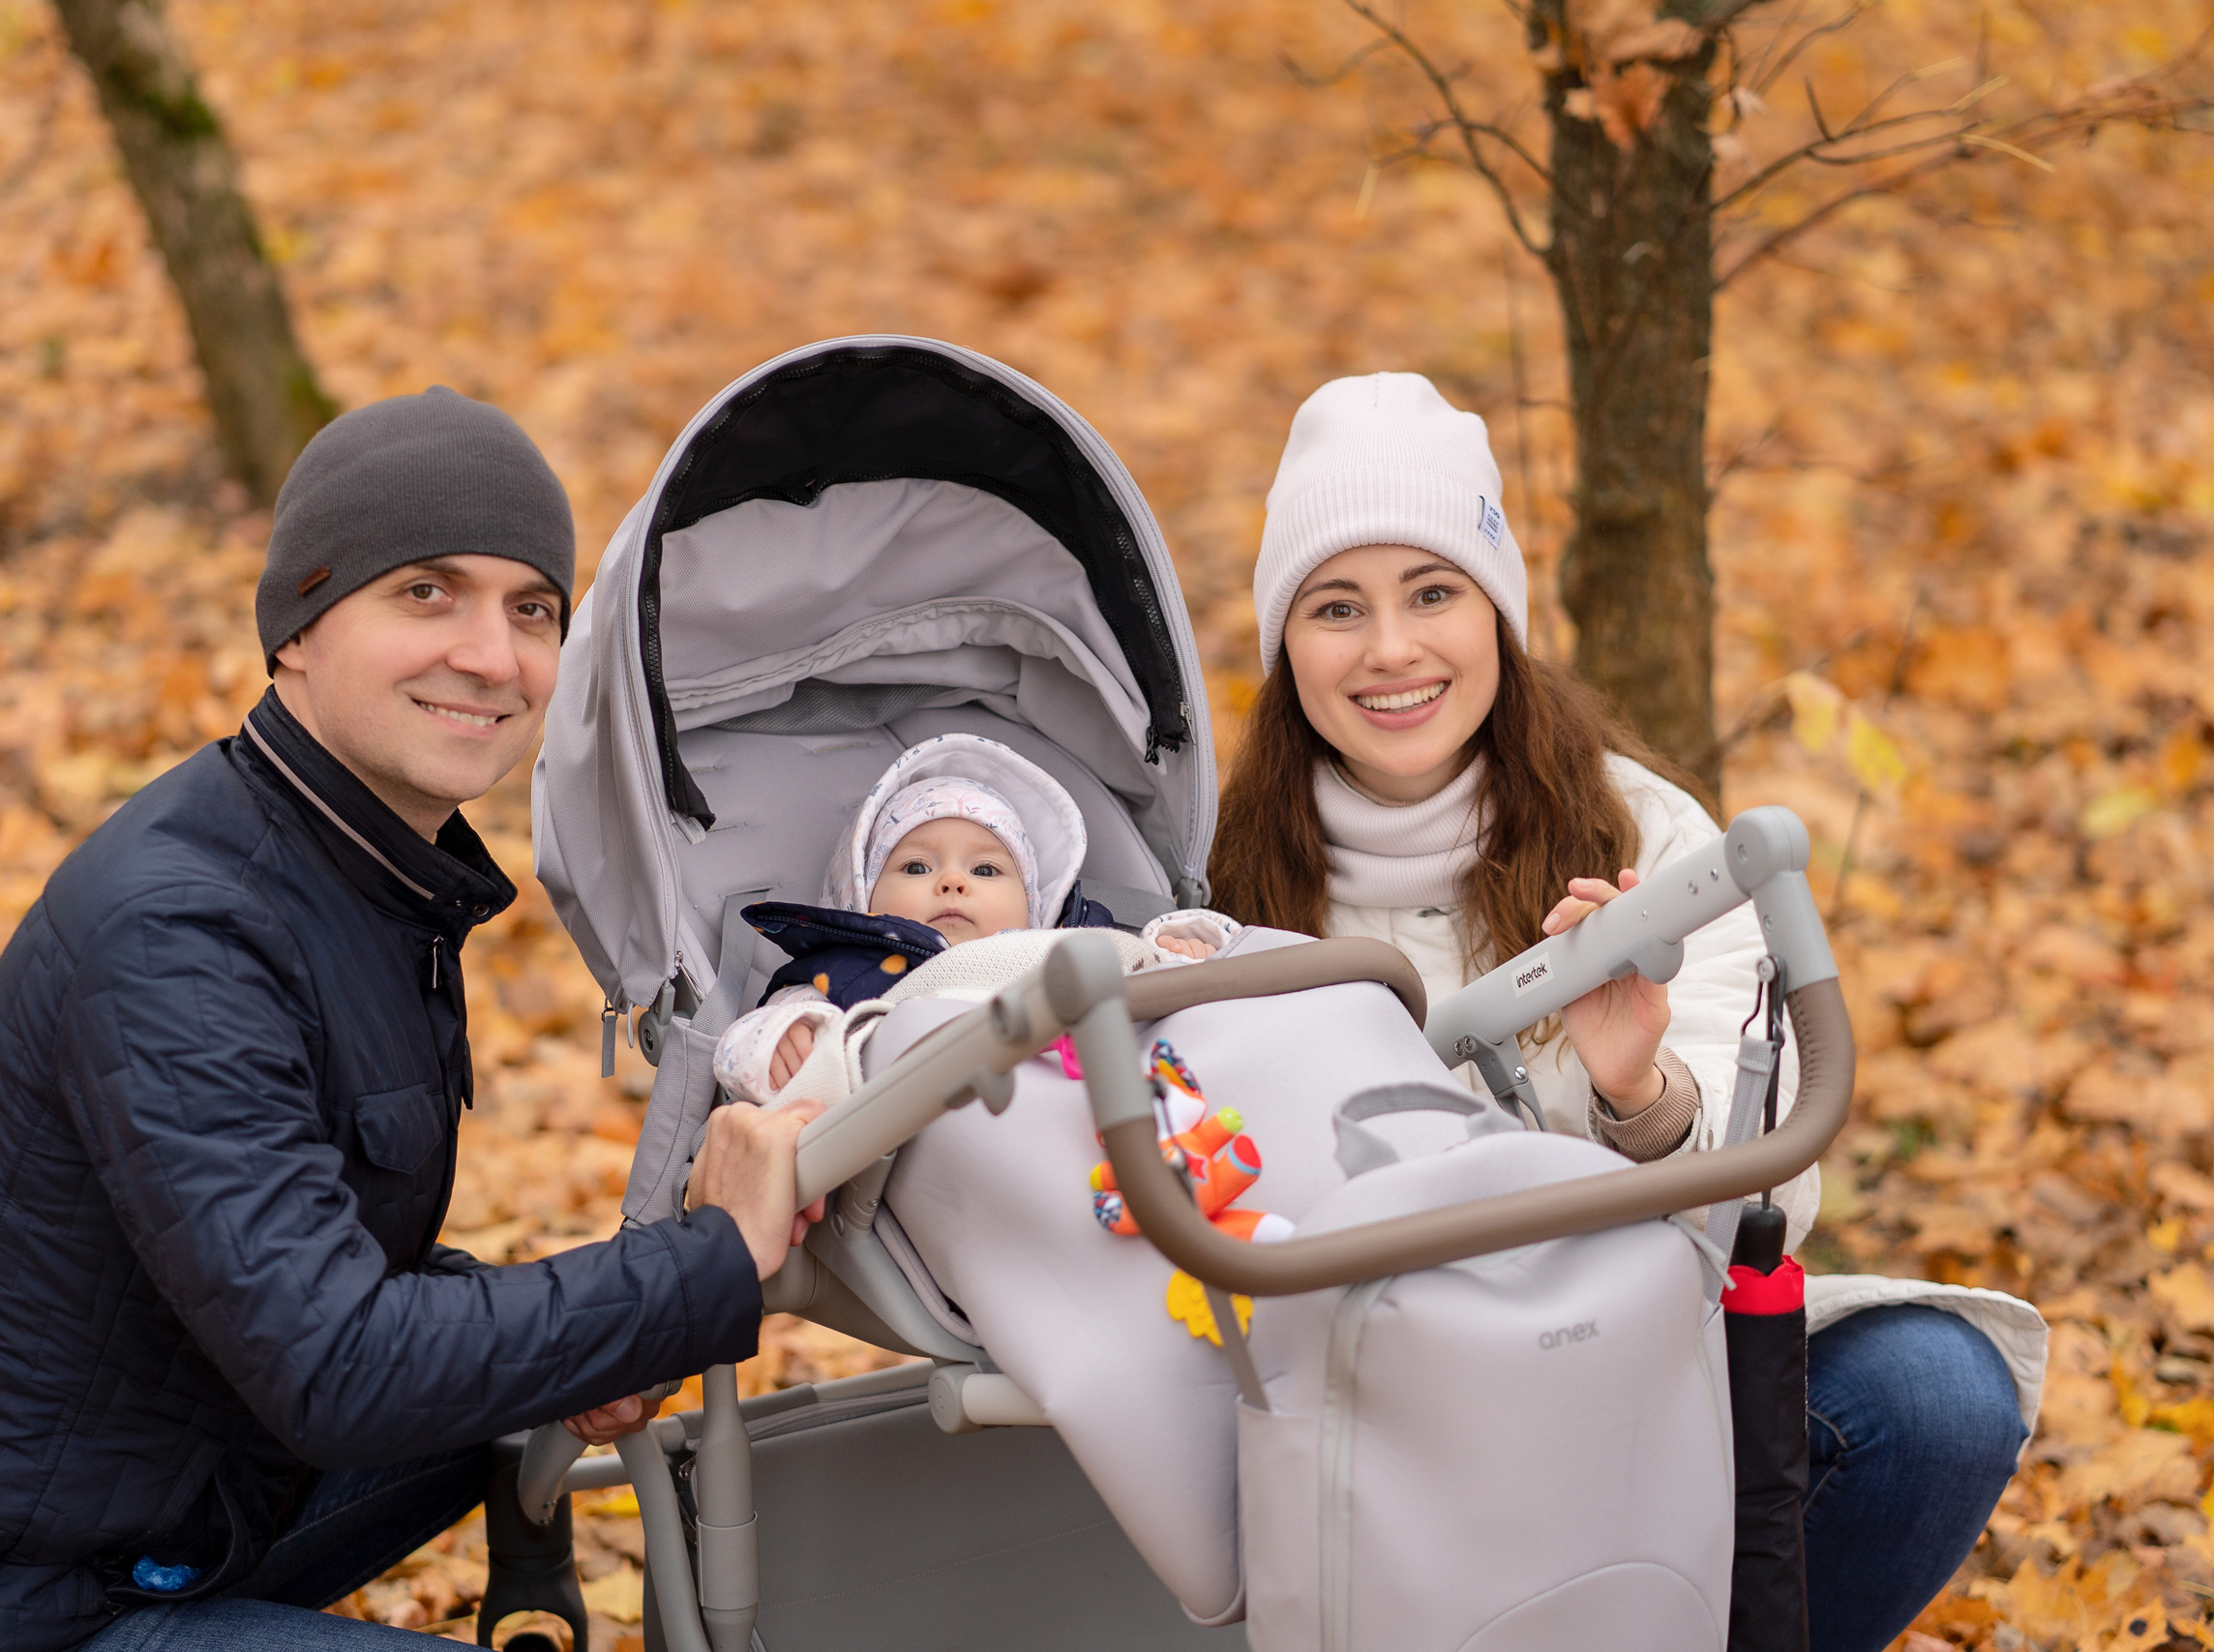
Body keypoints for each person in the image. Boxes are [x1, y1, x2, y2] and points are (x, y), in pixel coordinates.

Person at [0, 389, 817, 1652]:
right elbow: (343, 1362)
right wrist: (702, 1263)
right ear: (297, 629)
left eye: (532, 607)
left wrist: (612, 1335)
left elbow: (340, 1288)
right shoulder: (178, 926)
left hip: (169, 1498)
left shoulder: (372, 871)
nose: (493, 652)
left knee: (555, 1358)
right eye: (427, 591)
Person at [1208, 373, 2038, 1652]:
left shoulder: (1642, 828)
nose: (1391, 649)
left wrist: (1636, 1095)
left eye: (1433, 592)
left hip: (1635, 1363)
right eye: (1337, 606)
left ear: (1498, 613)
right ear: (1286, 643)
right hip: (1379, 1410)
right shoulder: (1225, 887)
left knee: (1932, 1395)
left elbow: (1775, 1201)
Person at [713, 732, 1233, 1103]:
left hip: (1109, 1110)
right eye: (917, 866)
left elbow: (1152, 993)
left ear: (1033, 904)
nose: (953, 882)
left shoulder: (1069, 944)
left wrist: (1179, 948)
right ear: (862, 897)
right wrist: (786, 1040)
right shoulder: (844, 977)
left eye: (985, 869)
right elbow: (741, 1053)